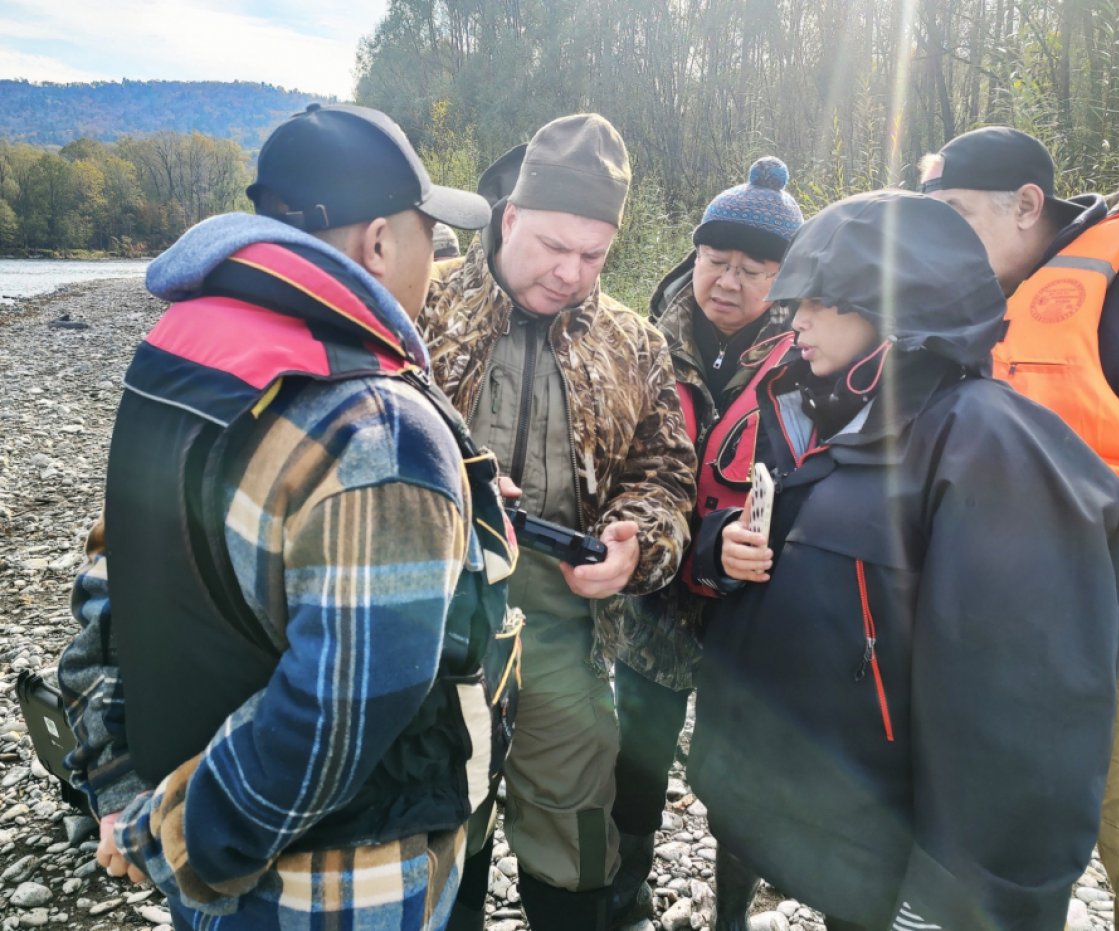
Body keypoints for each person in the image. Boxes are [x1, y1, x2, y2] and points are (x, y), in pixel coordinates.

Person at [57, 103, 517, 931]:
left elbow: (113, 576)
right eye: (429, 234)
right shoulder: (379, 429)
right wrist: (181, 838)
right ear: (379, 242)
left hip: (190, 843)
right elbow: (330, 723)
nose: (438, 261)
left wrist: (123, 789)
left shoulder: (181, 348)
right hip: (331, 888)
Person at [686, 189, 1119, 931]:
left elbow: (1028, 712)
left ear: (897, 310)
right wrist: (717, 551)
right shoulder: (820, 412)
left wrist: (959, 894)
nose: (794, 320)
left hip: (898, 847)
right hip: (816, 814)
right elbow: (791, 559)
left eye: (823, 301)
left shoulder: (989, 448)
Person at [420, 112, 698, 931]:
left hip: (566, 631)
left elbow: (666, 476)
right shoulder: (420, 306)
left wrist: (636, 544)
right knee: (437, 823)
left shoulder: (634, 344)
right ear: (509, 217)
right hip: (430, 629)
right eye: (552, 246)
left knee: (576, 832)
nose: (572, 273)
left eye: (594, 255)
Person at [920, 126, 1119, 931]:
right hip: (1027, 639)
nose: (942, 236)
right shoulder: (984, 300)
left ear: (1026, 204)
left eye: (956, 212)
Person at [607, 156, 804, 930]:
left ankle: (730, 912)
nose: (726, 280)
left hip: (752, 613)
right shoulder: (643, 342)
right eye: (714, 260)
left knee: (741, 780)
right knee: (636, 760)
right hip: (654, 603)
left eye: (752, 269)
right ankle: (624, 894)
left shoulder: (812, 363)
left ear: (782, 278)